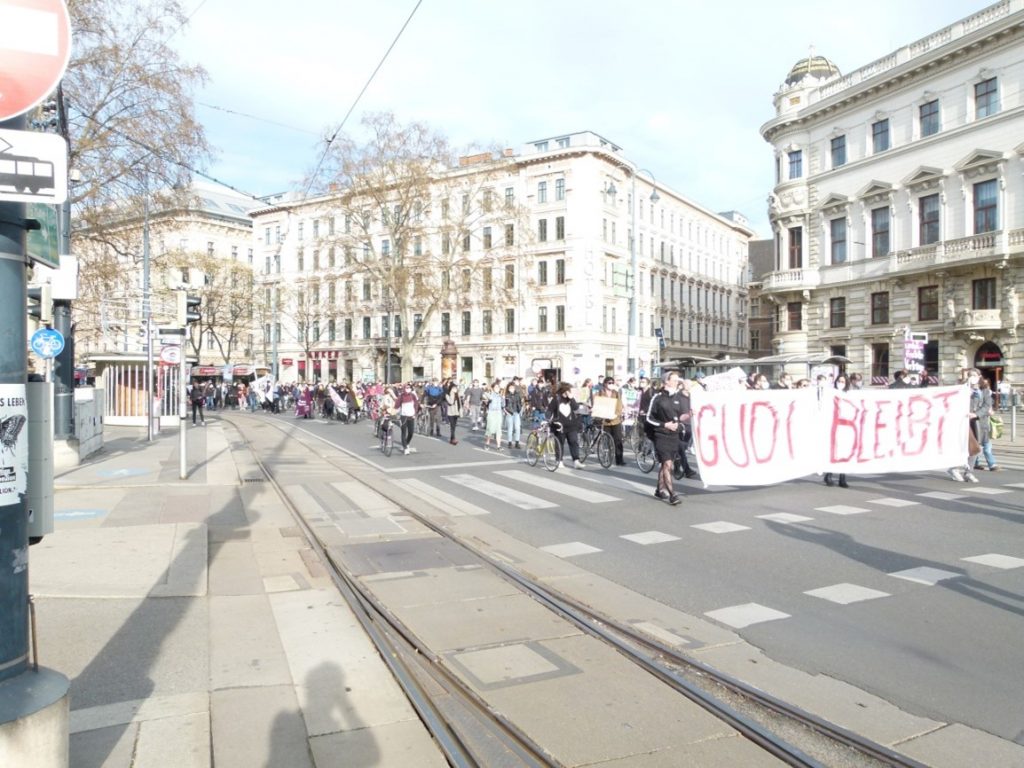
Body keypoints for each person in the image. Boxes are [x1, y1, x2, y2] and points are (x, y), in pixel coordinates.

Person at [646, 371, 689, 505]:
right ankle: (672, 494)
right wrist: (665, 424)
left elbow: (680, 416)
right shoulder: (657, 397)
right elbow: (649, 418)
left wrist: (688, 416)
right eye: (674, 380)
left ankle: (659, 490)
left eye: (678, 380)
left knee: (666, 463)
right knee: (667, 464)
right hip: (661, 435)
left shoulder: (678, 397)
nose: (677, 382)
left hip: (674, 436)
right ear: (666, 382)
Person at [947, 368, 981, 483]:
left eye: (975, 375)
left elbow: (987, 405)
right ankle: (955, 469)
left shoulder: (983, 390)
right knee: (972, 448)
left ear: (979, 377)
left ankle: (967, 472)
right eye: (971, 375)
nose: (973, 377)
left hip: (977, 423)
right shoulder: (962, 389)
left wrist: (977, 413)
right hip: (964, 423)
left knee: (974, 449)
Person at [547, 382, 584, 468]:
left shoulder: (570, 399)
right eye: (569, 390)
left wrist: (571, 398)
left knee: (574, 442)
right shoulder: (557, 399)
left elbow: (576, 408)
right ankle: (559, 460)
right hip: (560, 426)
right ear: (564, 391)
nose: (570, 392)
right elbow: (550, 410)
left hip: (571, 425)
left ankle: (576, 460)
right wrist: (548, 419)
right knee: (560, 443)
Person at [823, 376, 849, 488]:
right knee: (833, 452)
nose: (841, 383)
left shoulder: (850, 394)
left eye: (843, 381)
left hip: (846, 426)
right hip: (833, 425)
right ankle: (829, 474)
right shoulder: (830, 393)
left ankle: (842, 477)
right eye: (839, 381)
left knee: (844, 452)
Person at [598, 376, 626, 466]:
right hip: (605, 420)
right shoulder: (600, 393)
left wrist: (617, 414)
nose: (611, 385)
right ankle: (607, 457)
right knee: (606, 440)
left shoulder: (616, 393)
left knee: (618, 440)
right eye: (609, 383)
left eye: (612, 383)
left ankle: (619, 459)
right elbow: (597, 404)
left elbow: (619, 405)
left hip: (615, 420)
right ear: (605, 384)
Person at [972, 377, 999, 471]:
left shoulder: (985, 392)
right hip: (973, 423)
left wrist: (989, 411)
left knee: (986, 445)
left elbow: (988, 405)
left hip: (983, 422)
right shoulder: (969, 392)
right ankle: (975, 462)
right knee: (977, 444)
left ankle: (992, 464)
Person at [396, 383, 419, 455]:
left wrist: (415, 413)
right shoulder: (401, 396)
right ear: (404, 388)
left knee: (411, 432)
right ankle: (405, 448)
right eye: (406, 388)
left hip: (411, 416)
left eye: (409, 387)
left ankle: (407, 442)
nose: (408, 389)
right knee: (403, 432)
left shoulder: (413, 395)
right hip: (404, 416)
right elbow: (397, 405)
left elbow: (416, 404)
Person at [483, 380, 505, 451]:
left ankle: (499, 446)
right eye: (495, 387)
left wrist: (503, 399)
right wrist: (487, 400)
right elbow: (484, 396)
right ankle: (487, 444)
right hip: (491, 413)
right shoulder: (490, 395)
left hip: (498, 413)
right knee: (490, 429)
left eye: (498, 387)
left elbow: (503, 405)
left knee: (498, 429)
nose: (497, 389)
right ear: (493, 388)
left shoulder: (500, 396)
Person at [504, 380, 524, 449]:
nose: (511, 389)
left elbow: (520, 403)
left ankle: (517, 442)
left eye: (512, 388)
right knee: (510, 428)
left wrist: (520, 409)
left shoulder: (517, 394)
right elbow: (505, 405)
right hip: (509, 413)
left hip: (516, 412)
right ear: (508, 389)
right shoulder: (506, 396)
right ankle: (509, 442)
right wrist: (507, 412)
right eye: (510, 388)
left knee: (517, 428)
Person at [443, 379, 462, 445]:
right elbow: (451, 402)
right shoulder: (449, 393)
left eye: (456, 387)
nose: (456, 388)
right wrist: (453, 393)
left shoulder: (457, 393)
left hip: (456, 412)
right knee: (452, 425)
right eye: (454, 387)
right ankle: (453, 439)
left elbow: (460, 403)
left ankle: (452, 439)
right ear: (452, 387)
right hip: (451, 412)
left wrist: (461, 411)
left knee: (454, 426)